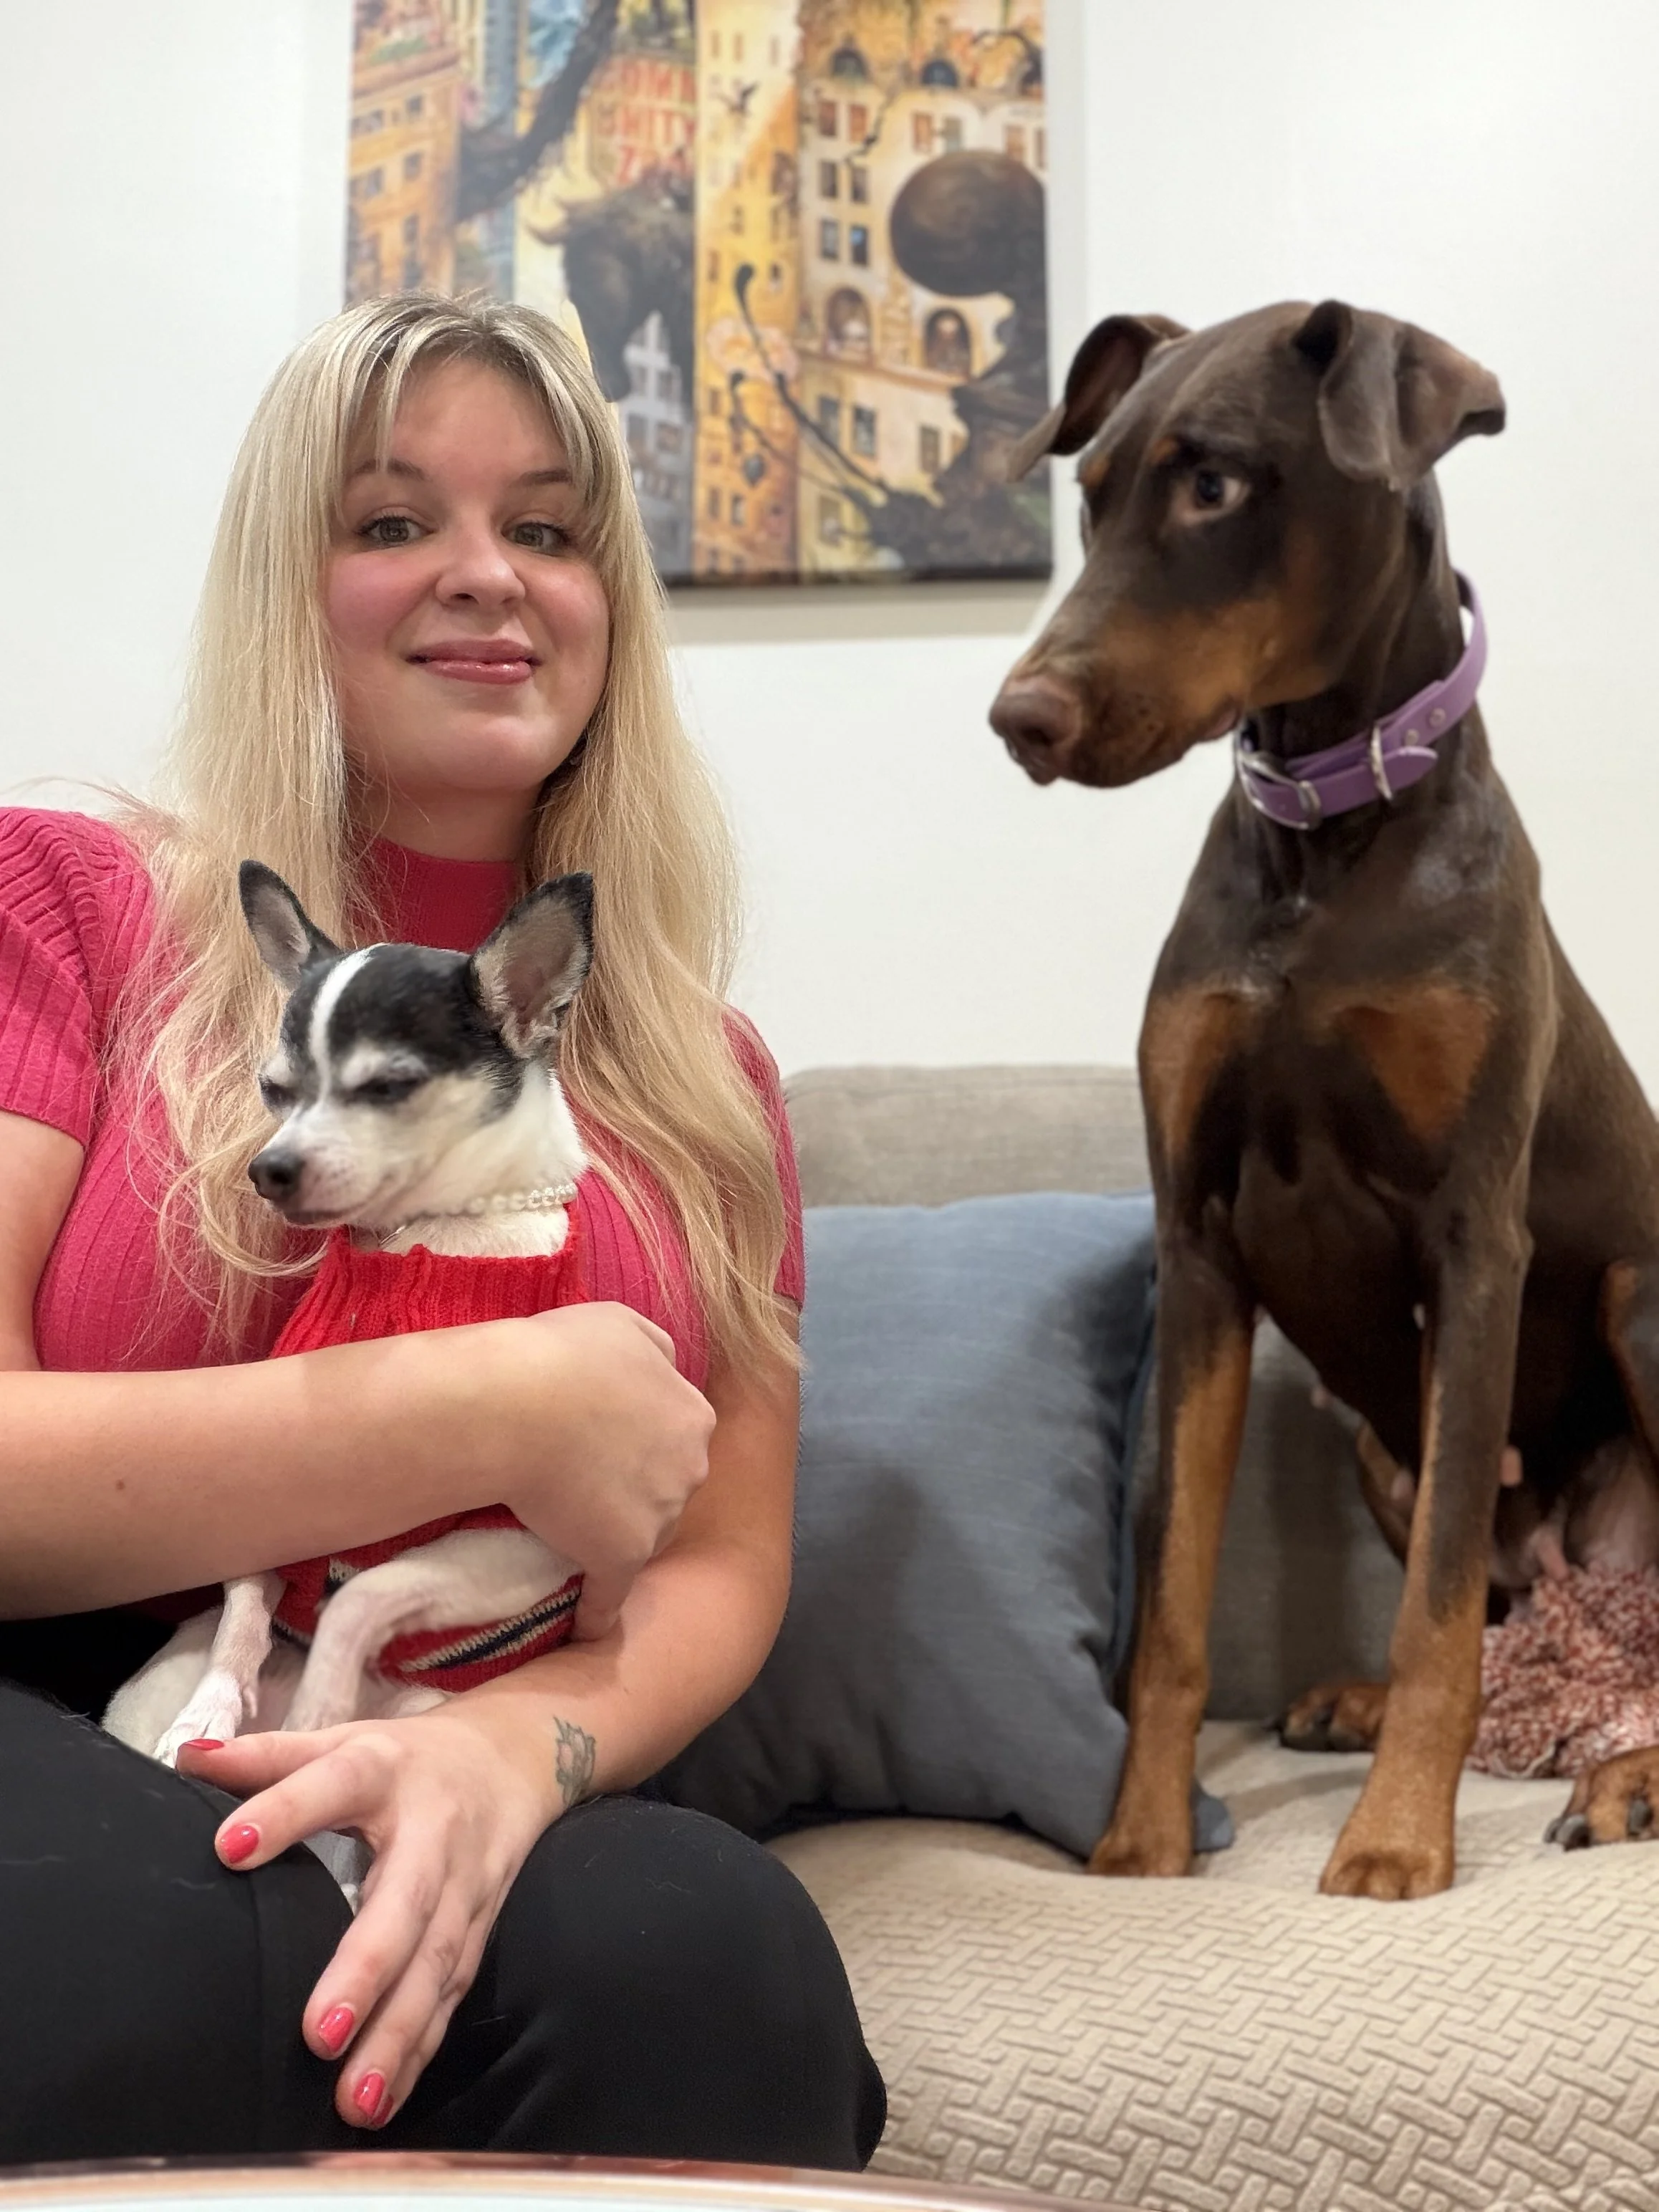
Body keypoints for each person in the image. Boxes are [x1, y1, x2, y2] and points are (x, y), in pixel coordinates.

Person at [0, 293, 885, 2164]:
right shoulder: (65, 908)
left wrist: (517, 1751)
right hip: (73, 1708)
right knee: (153, 1947)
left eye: (548, 529)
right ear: (283, 586)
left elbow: (717, 1564)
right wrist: (484, 1409)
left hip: (476, 1706)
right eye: (395, 520)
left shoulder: (709, 1085)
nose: (486, 575)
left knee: (713, 1968)